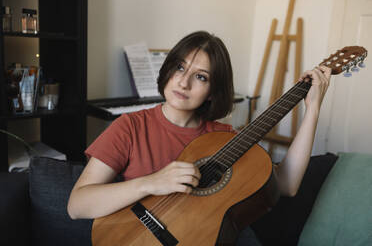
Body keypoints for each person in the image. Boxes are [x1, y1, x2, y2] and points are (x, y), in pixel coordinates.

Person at [67, 31, 331, 245]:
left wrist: (313, 110)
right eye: (180, 68)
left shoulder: (225, 140)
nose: (183, 83)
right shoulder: (130, 127)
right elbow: (77, 206)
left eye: (201, 77)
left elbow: (286, 184)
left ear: (213, 91)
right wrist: (150, 183)